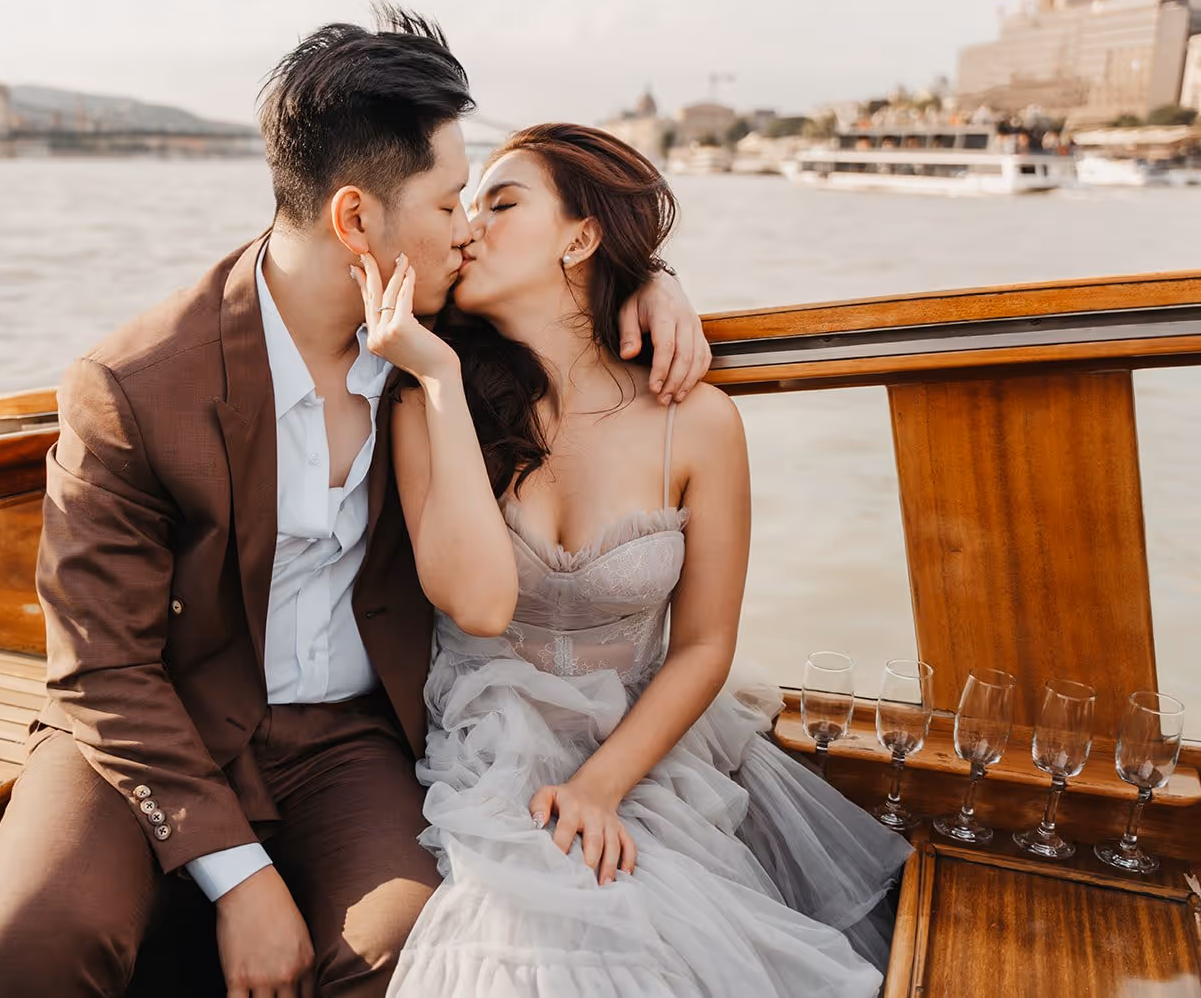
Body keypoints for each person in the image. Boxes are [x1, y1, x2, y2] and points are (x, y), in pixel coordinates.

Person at [0, 7, 710, 998]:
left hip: (349, 735)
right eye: (449, 204)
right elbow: (101, 665)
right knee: (31, 942)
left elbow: (561, 288)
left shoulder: (441, 340)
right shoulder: (134, 386)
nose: (468, 231)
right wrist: (238, 876)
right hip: (155, 720)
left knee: (410, 951)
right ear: (355, 220)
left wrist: (651, 283)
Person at [361, 123, 912, 998]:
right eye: (466, 206)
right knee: (531, 941)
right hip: (487, 745)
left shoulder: (699, 422)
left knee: (657, 927)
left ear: (580, 238)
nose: (468, 228)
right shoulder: (427, 395)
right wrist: (436, 380)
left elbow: (704, 644)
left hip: (642, 745)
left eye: (501, 204)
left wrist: (600, 785)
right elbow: (471, 602)